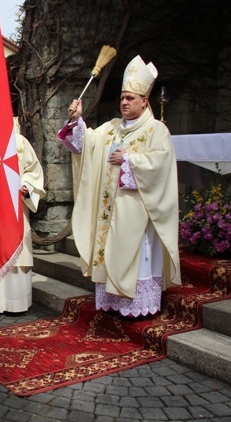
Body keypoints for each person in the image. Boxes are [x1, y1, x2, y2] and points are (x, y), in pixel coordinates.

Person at [58, 55, 181, 317]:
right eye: (123, 97)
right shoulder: (111, 128)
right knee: (110, 249)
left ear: (144, 101)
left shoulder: (156, 131)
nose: (124, 102)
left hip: (137, 211)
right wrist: (76, 121)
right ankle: (114, 303)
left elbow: (161, 166)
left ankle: (139, 306)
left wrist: (128, 160)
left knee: (138, 255)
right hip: (109, 211)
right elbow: (85, 145)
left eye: (131, 98)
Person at [0, 121, 46, 314]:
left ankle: (16, 302)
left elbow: (33, 170)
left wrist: (26, 185)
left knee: (16, 252)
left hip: (15, 208)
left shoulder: (20, 142)